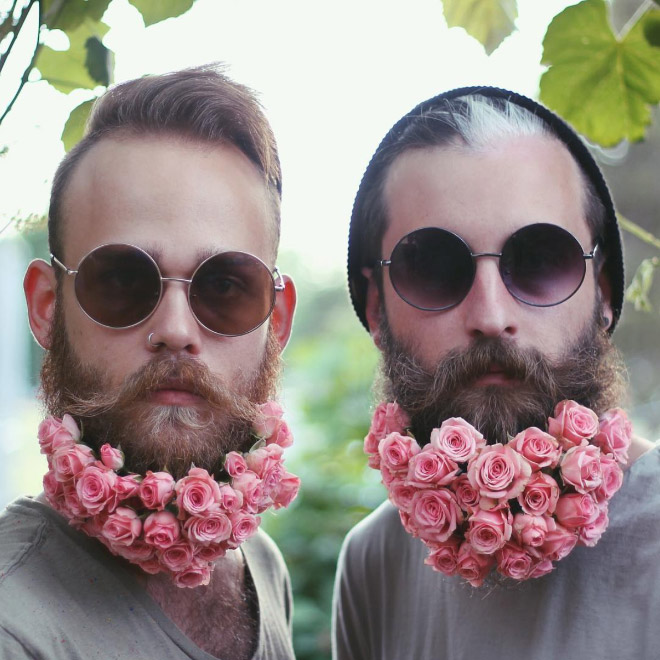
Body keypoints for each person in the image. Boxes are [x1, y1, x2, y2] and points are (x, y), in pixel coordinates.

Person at [333, 86, 660, 659]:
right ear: (377, 309)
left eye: (540, 261)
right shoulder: (373, 562)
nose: (490, 316)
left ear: (604, 294)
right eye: (431, 266)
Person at [0, 66, 299, 660]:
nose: (176, 331)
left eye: (225, 286)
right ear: (46, 309)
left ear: (278, 323)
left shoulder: (258, 564)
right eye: (121, 280)